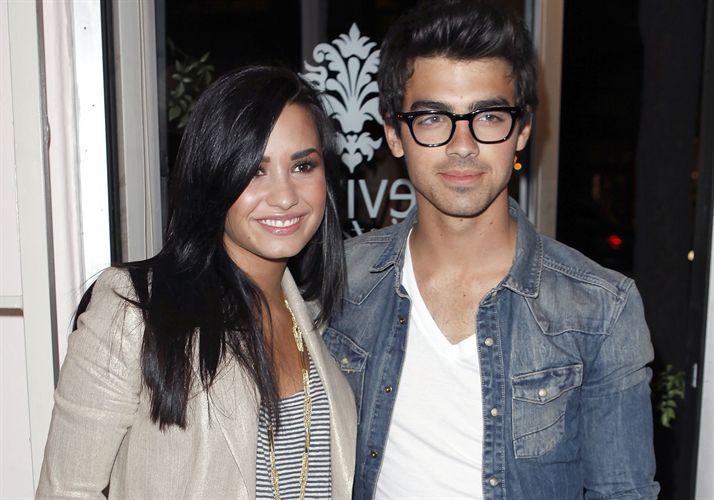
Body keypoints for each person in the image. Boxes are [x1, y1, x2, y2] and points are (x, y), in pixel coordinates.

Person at [323, 1, 659, 498]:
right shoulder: (338, 282)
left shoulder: (600, 310)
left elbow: (622, 492)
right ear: (394, 133)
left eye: (488, 116)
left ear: (521, 130)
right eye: (433, 118)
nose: (463, 145)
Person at [37, 66, 356, 499]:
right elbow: (66, 491)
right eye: (255, 170)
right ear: (213, 175)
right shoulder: (135, 309)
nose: (285, 196)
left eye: (303, 166)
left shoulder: (321, 324)